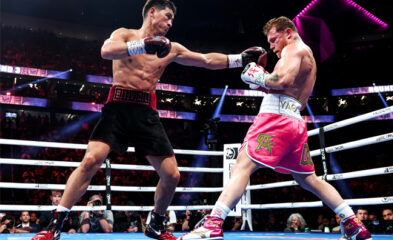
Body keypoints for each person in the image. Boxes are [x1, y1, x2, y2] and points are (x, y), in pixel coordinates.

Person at [30, 1, 266, 240]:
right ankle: (55, 225)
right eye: (168, 16)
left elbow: (205, 59)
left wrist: (240, 58)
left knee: (172, 175)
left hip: (146, 112)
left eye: (173, 19)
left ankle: (155, 224)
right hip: (118, 107)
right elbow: (106, 51)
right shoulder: (124, 34)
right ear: (152, 12)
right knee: (91, 160)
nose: (171, 22)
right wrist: (142, 45)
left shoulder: (171, 48)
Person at [178, 16, 372, 240]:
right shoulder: (307, 56)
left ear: (288, 33)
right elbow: (287, 90)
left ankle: (214, 223)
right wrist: (261, 78)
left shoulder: (294, 49)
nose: (270, 46)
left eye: (273, 39)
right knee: (308, 179)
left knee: (241, 165)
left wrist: (256, 73)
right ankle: (352, 223)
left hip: (275, 118)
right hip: (294, 121)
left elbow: (282, 82)